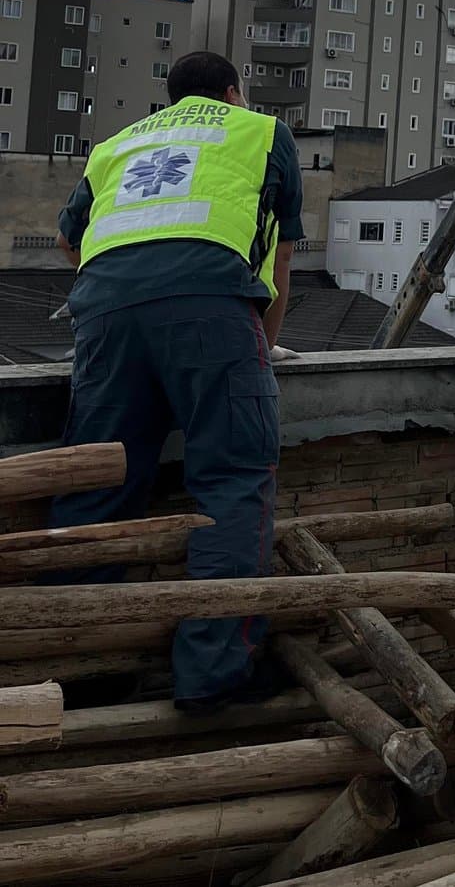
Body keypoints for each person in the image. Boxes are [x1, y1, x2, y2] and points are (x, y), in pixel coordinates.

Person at [50, 50, 303, 710]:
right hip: (211, 308)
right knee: (233, 479)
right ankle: (215, 674)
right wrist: (262, 351)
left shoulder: (116, 144)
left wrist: (120, 286)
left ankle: (86, 669)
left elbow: (67, 238)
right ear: (231, 92)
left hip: (102, 311)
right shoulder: (259, 133)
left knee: (97, 480)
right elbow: (279, 253)